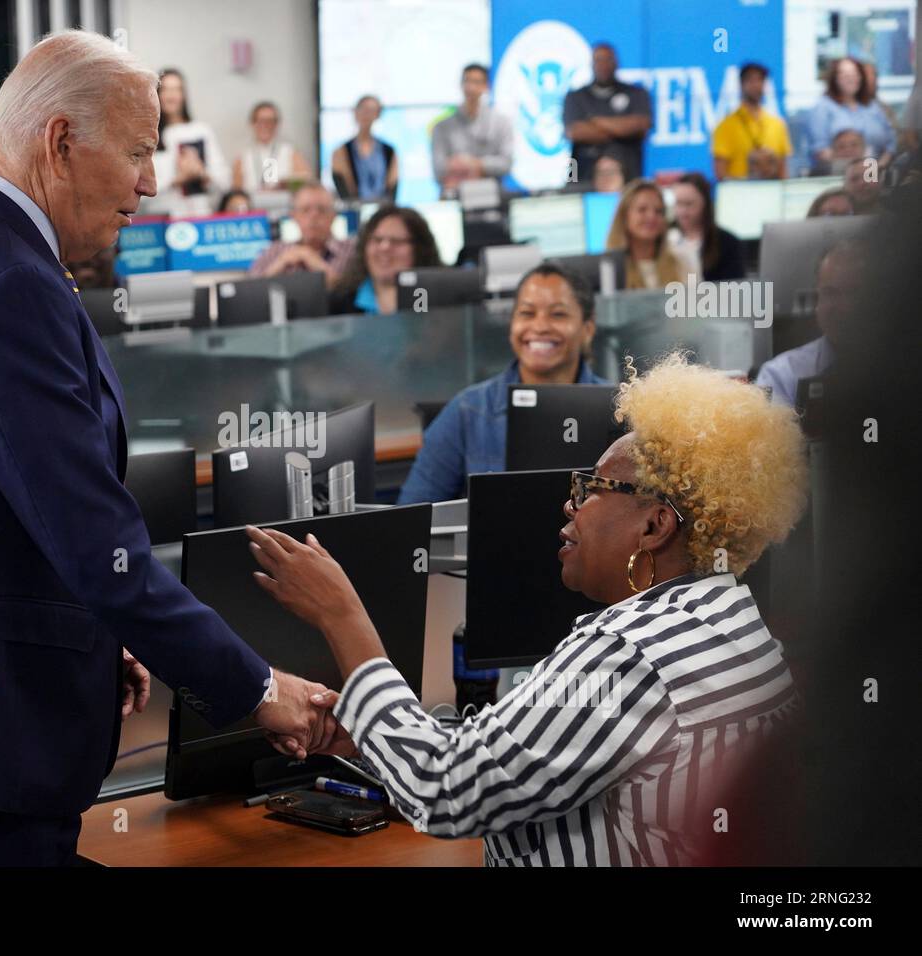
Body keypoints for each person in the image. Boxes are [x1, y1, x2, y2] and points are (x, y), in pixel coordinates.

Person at [0, 31, 335, 866]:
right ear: (60, 143)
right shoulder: (10, 287)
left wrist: (96, 632)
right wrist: (258, 689)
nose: (151, 183)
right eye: (138, 153)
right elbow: (94, 544)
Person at [246, 352, 808, 866]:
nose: (570, 503)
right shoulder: (735, 622)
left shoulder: (631, 652)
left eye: (591, 487)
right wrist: (365, 734)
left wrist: (343, 616)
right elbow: (517, 752)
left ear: (655, 525)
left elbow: (443, 791)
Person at [398, 264, 607, 505]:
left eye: (558, 314)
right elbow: (414, 512)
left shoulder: (620, 411)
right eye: (527, 313)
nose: (539, 326)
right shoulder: (467, 410)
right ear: (511, 326)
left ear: (588, 329)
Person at [755, 240, 862, 406]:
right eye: (830, 293)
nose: (845, 307)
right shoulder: (782, 375)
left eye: (855, 293)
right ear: (816, 299)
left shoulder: (907, 369)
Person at [564, 43, 653, 182]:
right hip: (580, 176)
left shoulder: (636, 93)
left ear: (617, 63)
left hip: (628, 177)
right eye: (598, 60)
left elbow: (641, 125)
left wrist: (595, 121)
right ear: (591, 64)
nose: (603, 65)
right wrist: (621, 130)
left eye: (608, 60)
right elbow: (574, 132)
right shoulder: (575, 97)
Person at [328, 205, 439, 315]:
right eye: (377, 240)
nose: (384, 247)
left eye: (397, 241)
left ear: (420, 249)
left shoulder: (439, 298)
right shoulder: (339, 301)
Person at [431, 64, 513, 198]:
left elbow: (506, 163)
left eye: (476, 82)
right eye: (467, 81)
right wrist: (476, 169)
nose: (470, 87)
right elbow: (439, 169)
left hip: (491, 195)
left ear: (486, 86)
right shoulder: (442, 127)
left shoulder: (501, 123)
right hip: (454, 196)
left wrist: (475, 164)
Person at [248, 182, 354, 286]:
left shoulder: (351, 250)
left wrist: (310, 258)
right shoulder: (275, 251)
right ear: (294, 216)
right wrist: (281, 263)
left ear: (334, 215)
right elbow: (249, 292)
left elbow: (351, 292)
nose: (314, 216)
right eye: (305, 210)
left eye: (321, 210)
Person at [153, 68, 229, 205]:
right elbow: (143, 189)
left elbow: (224, 182)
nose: (171, 96)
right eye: (166, 89)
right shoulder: (150, 135)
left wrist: (201, 172)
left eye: (177, 89)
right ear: (157, 94)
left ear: (184, 95)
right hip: (162, 216)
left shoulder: (201, 131)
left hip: (200, 214)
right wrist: (176, 180)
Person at [807, 58, 895, 173]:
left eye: (854, 73)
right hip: (841, 176)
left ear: (860, 77)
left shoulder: (872, 106)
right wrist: (857, 171)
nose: (850, 78)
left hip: (876, 173)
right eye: (844, 74)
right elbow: (819, 150)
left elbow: (891, 142)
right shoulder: (823, 107)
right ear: (835, 78)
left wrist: (875, 169)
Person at [711, 61, 791, 180]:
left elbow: (783, 170)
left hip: (772, 192)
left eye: (760, 80)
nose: (756, 85)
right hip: (739, 194)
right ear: (742, 84)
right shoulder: (725, 126)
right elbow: (720, 174)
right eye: (751, 80)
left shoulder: (777, 125)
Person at [605, 178, 686, 290]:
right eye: (642, 210)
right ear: (624, 216)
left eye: (658, 211)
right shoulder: (608, 270)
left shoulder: (682, 264)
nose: (651, 217)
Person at [667, 172, 745, 281]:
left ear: (705, 204)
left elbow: (736, 289)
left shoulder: (727, 243)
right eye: (678, 203)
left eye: (689, 204)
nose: (683, 211)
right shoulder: (664, 238)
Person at [231, 101, 310, 193]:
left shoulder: (290, 152)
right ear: (252, 123)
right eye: (261, 121)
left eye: (270, 121)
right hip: (254, 205)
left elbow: (306, 181)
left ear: (277, 124)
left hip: (284, 204)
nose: (265, 125)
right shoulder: (242, 157)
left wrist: (286, 183)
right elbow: (236, 192)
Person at [331, 95, 398, 201]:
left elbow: (392, 186)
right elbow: (344, 189)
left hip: (382, 209)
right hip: (354, 209)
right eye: (363, 109)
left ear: (378, 115)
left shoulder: (388, 150)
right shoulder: (341, 151)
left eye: (371, 111)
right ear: (355, 112)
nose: (366, 115)